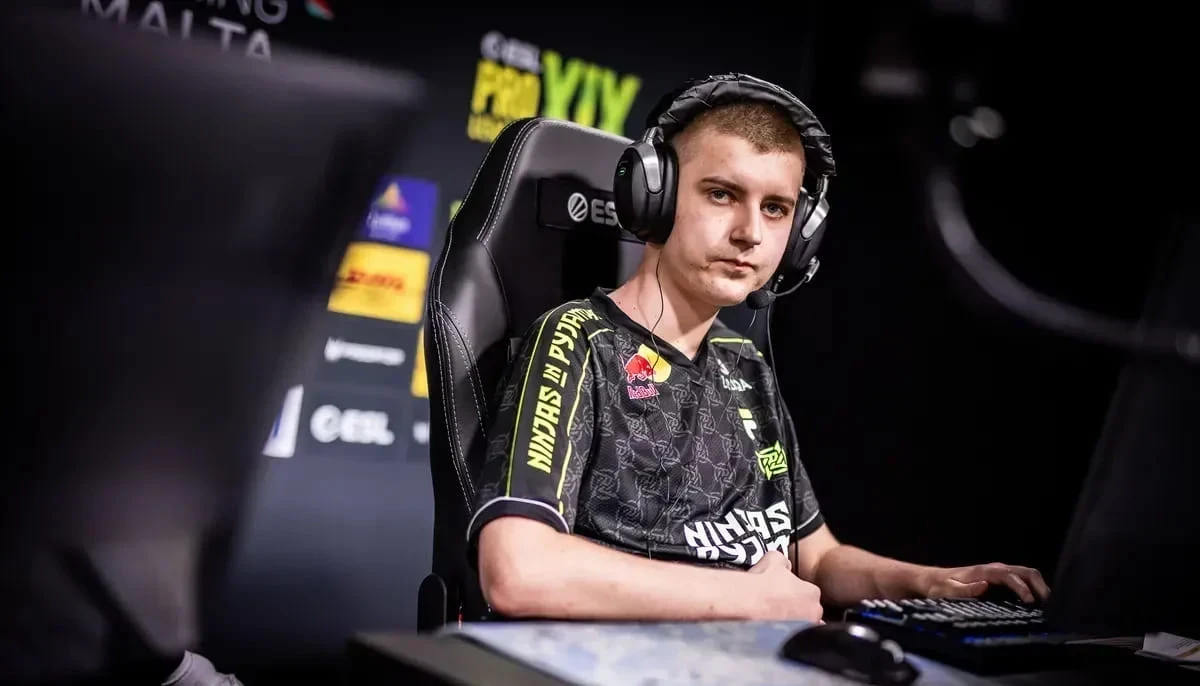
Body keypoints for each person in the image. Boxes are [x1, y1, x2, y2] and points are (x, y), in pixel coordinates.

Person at [466, 74, 1050, 622]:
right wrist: (745, 598)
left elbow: (816, 559)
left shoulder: (743, 363)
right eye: (722, 194)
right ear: (654, 197)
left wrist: (934, 583)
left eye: (776, 208)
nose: (750, 233)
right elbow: (518, 569)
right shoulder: (578, 340)